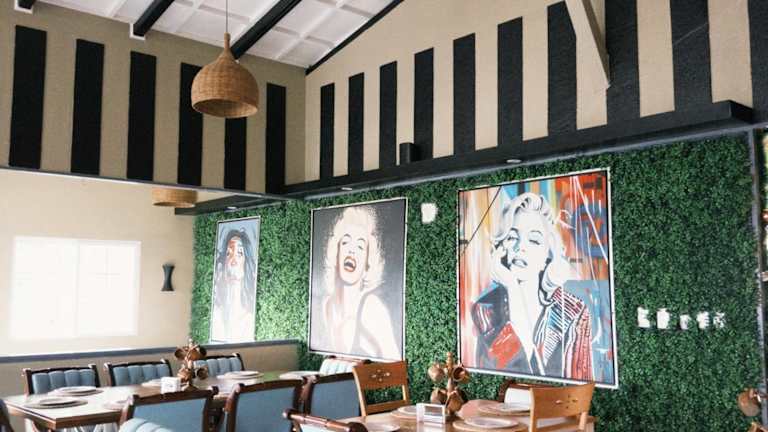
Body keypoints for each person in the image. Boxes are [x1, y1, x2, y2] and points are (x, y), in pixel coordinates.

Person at [472, 192, 593, 380]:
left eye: (534, 240)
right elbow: (509, 374)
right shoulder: (484, 310)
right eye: (512, 237)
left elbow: (579, 384)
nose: (520, 247)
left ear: (547, 254)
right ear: (501, 247)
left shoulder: (573, 312)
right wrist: (512, 287)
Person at [316, 206, 400, 360]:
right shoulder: (327, 306)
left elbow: (397, 367)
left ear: (368, 264)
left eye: (360, 246)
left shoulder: (372, 307)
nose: (352, 251)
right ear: (336, 252)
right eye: (345, 242)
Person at [210, 229, 257, 342]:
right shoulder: (216, 314)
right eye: (228, 254)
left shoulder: (249, 319)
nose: (233, 261)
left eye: (240, 253)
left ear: (246, 262)